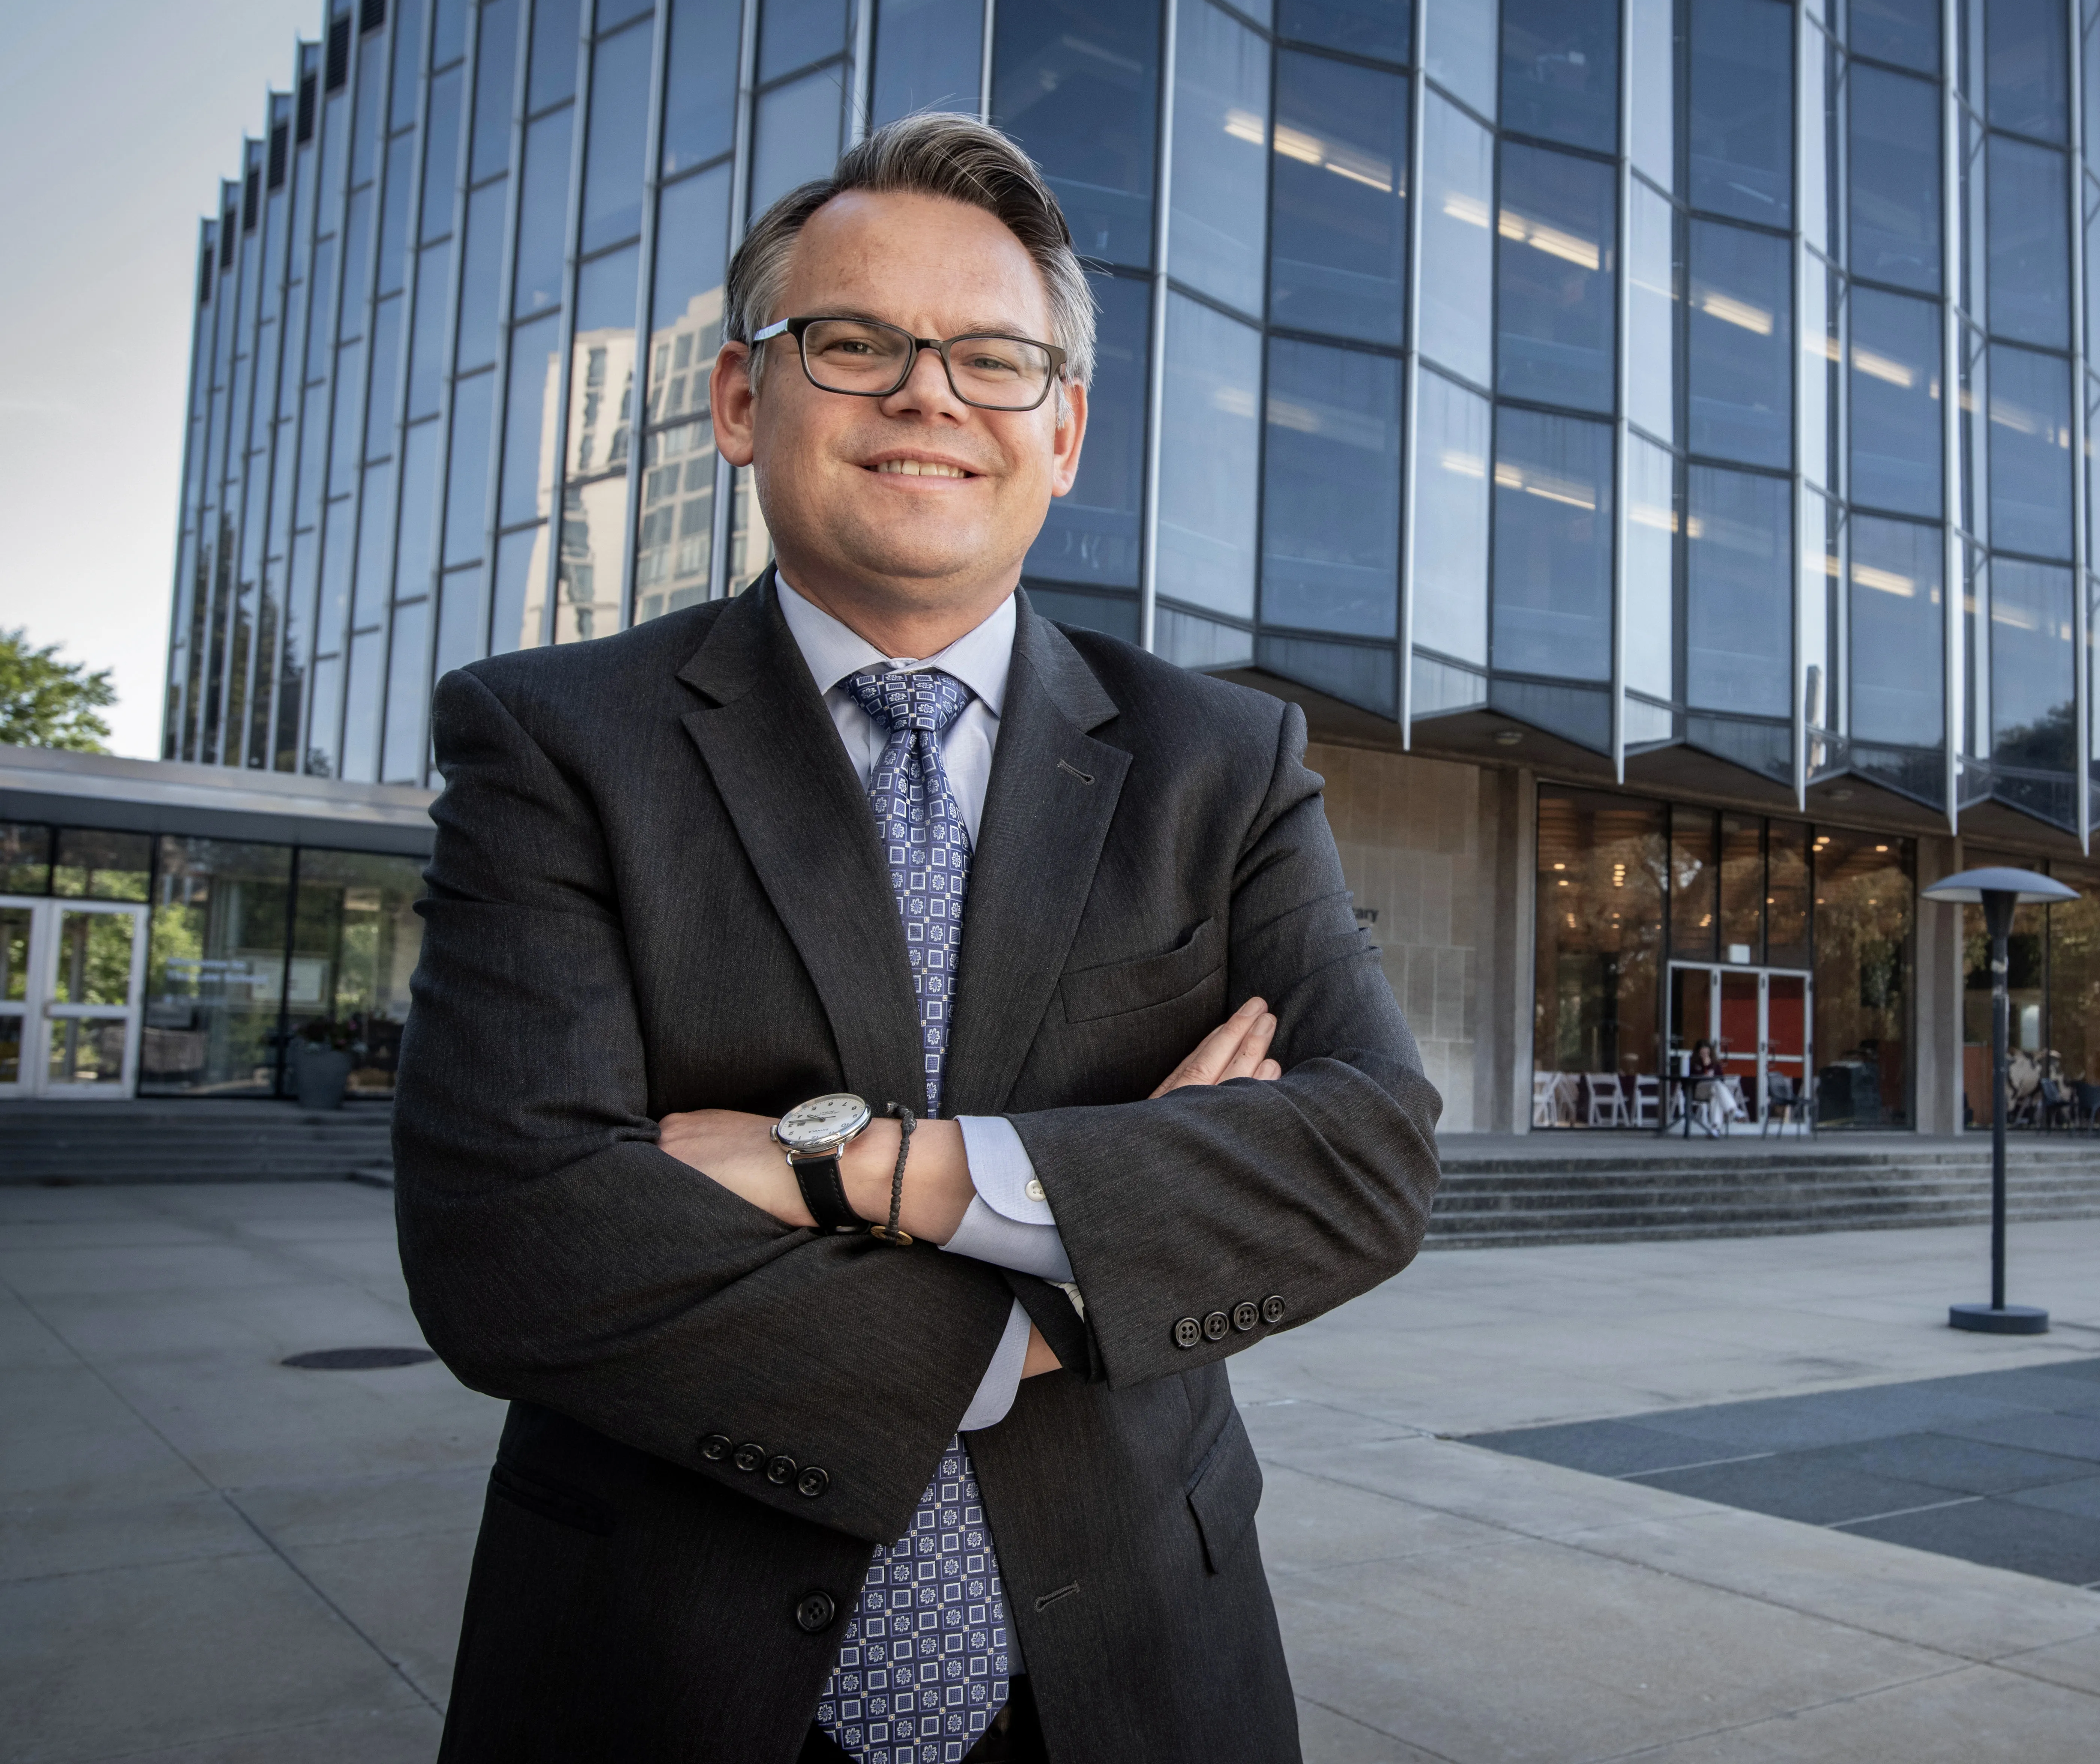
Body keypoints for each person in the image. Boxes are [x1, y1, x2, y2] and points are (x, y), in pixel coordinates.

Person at [394, 112, 1441, 1764]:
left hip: (1139, 1677)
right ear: (744, 399)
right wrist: (1084, 1267)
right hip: (666, 1678)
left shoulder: (1222, 763)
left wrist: (866, 1167)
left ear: (1065, 428)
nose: (931, 393)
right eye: (857, 340)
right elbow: (514, 1245)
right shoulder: (553, 741)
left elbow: (1365, 1160)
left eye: (994, 357)